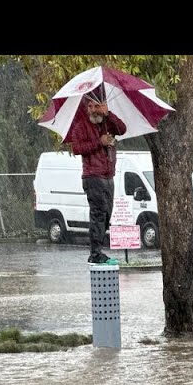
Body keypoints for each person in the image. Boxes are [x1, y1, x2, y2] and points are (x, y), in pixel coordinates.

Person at [70, 93, 127, 264]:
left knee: (107, 213)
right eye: (90, 107)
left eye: (96, 106)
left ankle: (99, 250)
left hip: (108, 175)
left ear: (103, 107)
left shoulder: (108, 123)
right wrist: (98, 142)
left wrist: (109, 114)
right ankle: (95, 253)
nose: (93, 110)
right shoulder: (81, 126)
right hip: (93, 176)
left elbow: (122, 129)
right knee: (98, 214)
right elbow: (77, 148)